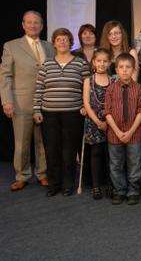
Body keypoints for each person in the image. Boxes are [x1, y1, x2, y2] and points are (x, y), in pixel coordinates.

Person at [0, 10, 55, 191]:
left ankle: (42, 173)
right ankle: (22, 175)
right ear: (23, 25)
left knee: (43, 141)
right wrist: (6, 101)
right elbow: (5, 75)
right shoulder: (11, 46)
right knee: (22, 143)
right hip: (21, 102)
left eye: (36, 22)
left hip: (46, 102)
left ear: (41, 25)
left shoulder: (49, 46)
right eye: (29, 22)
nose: (33, 25)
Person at [33, 28, 90, 197]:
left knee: (69, 151)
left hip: (73, 114)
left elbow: (86, 88)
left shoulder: (81, 63)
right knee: (51, 150)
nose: (62, 42)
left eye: (66, 39)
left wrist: (85, 106)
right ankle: (54, 184)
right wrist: (36, 109)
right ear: (54, 43)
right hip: (49, 114)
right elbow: (39, 89)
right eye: (59, 39)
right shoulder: (47, 64)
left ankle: (67, 184)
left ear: (71, 42)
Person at [104, 53, 141, 205]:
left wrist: (131, 131)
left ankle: (133, 191)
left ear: (133, 70)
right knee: (116, 164)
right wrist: (118, 131)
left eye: (128, 67)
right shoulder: (111, 89)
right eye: (121, 67)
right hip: (115, 134)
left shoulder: (139, 88)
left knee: (135, 163)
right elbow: (107, 112)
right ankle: (119, 191)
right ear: (116, 69)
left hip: (134, 134)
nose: (125, 70)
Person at [83, 48, 114, 200]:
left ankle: (110, 184)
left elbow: (116, 103)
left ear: (109, 63)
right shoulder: (88, 81)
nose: (102, 64)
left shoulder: (114, 80)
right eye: (99, 61)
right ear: (94, 62)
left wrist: (108, 122)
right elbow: (86, 104)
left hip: (111, 123)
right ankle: (96, 186)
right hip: (94, 121)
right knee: (95, 153)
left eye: (105, 61)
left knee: (111, 154)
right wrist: (97, 121)